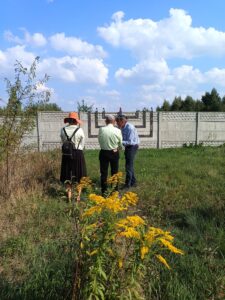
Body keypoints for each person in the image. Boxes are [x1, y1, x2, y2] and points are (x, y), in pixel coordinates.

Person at [60, 112, 87, 201]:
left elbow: (63, 140)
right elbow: (82, 144)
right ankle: (78, 196)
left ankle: (69, 196)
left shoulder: (63, 129)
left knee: (68, 174)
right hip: (78, 153)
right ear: (76, 121)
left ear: (69, 120)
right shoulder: (80, 130)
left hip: (66, 154)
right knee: (79, 174)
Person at [98, 115, 123, 195]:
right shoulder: (117, 130)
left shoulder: (101, 129)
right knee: (115, 172)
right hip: (114, 152)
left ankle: (104, 192)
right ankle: (115, 191)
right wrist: (119, 147)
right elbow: (121, 143)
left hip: (104, 152)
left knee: (103, 173)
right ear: (114, 121)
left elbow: (99, 140)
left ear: (106, 121)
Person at [116, 114, 140, 189]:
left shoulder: (130, 128)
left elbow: (130, 141)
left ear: (122, 121)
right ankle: (133, 182)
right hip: (128, 147)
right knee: (129, 165)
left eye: (118, 122)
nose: (117, 124)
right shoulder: (122, 127)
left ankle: (127, 184)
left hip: (132, 146)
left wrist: (120, 142)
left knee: (128, 166)